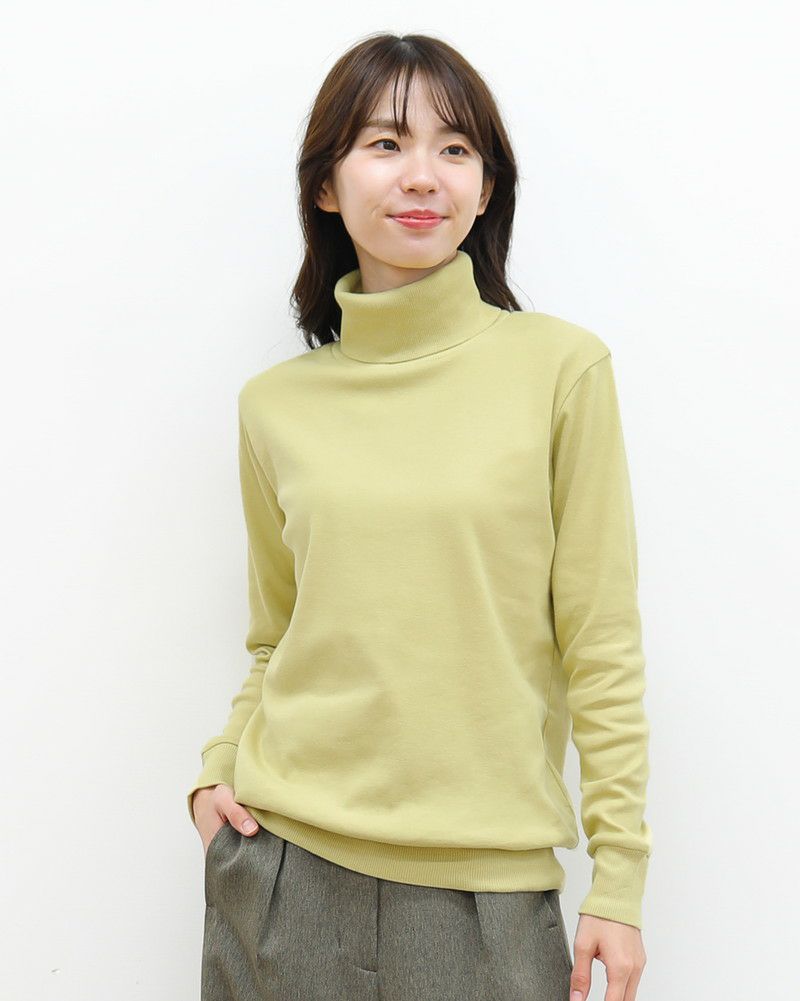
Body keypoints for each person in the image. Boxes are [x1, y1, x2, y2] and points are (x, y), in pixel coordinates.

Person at [187, 31, 652, 1001]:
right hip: (280, 869)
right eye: (385, 143)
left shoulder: (561, 370)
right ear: (326, 184)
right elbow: (277, 633)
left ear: (486, 188)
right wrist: (217, 768)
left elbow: (600, 640)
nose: (421, 175)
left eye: (454, 148)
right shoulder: (274, 406)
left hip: (486, 892)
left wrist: (619, 879)